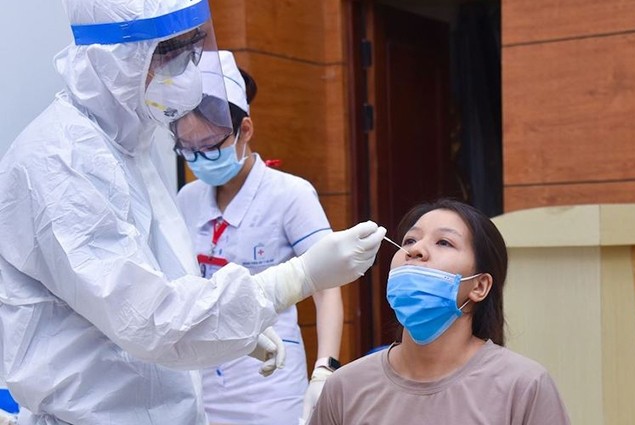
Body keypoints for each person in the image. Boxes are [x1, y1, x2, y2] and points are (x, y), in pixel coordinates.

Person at [0, 1, 386, 424]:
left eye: (192, 48)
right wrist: (293, 278)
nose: (186, 70)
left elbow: (157, 286)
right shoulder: (63, 162)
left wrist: (237, 330)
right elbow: (148, 316)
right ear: (116, 58)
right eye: (169, 53)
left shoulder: (127, 149)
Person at [174, 51, 343, 425]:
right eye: (189, 149)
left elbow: (327, 285)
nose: (200, 158)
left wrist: (325, 369)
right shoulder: (187, 199)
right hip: (201, 381)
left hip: (270, 385)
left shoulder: (290, 194)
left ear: (245, 130)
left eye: (211, 145)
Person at [309, 198, 571, 425]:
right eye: (409, 240)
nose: (415, 250)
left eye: (444, 242)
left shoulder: (524, 386)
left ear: (479, 286)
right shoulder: (345, 386)